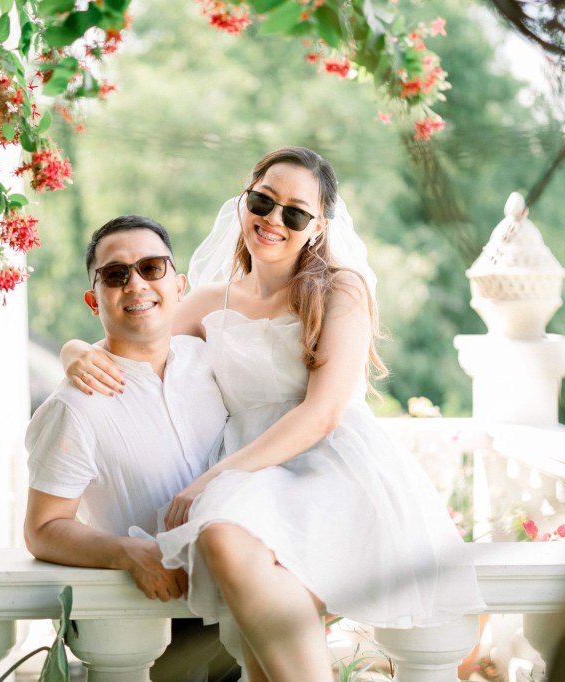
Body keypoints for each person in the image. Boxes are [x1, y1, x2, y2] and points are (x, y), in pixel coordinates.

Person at [63, 147, 486, 681]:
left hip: (325, 466)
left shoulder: (340, 289)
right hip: (250, 475)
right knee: (240, 594)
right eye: (263, 201)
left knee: (220, 536)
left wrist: (211, 481)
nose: (273, 220)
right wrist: (74, 351)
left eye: (295, 213)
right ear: (244, 201)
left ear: (318, 227)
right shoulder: (209, 302)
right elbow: (136, 335)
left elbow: (323, 412)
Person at [24, 214, 239, 682]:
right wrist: (126, 553)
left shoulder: (214, 361)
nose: (136, 284)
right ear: (94, 300)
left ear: (178, 286)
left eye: (151, 268)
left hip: (242, 608)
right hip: (155, 625)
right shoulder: (75, 405)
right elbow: (42, 529)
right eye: (115, 274)